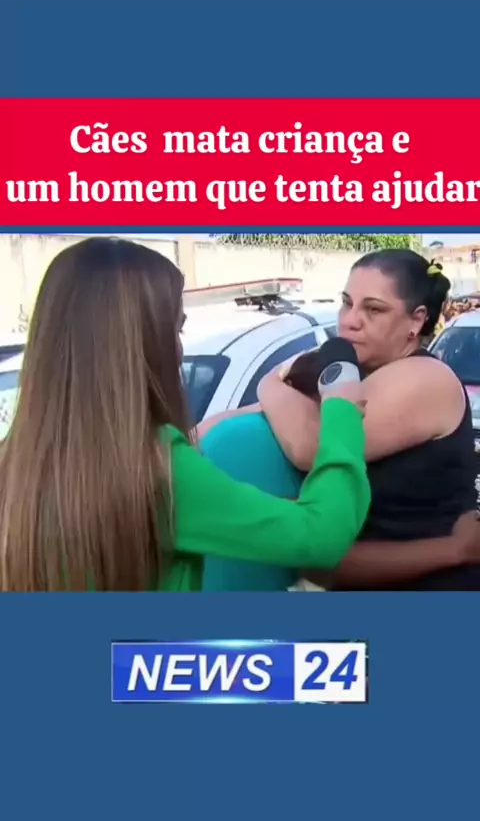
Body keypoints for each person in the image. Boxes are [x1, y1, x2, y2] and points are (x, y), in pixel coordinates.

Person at [0, 237, 371, 592]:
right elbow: (320, 535)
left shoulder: (12, 466)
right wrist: (341, 408)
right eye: (176, 329)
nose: (178, 350)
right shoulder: (155, 468)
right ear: (136, 343)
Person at [201, 249, 480, 591]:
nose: (350, 320)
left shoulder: (427, 377)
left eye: (373, 309)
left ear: (416, 320)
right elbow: (237, 421)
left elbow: (314, 447)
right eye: (347, 303)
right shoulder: (351, 376)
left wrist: (270, 383)